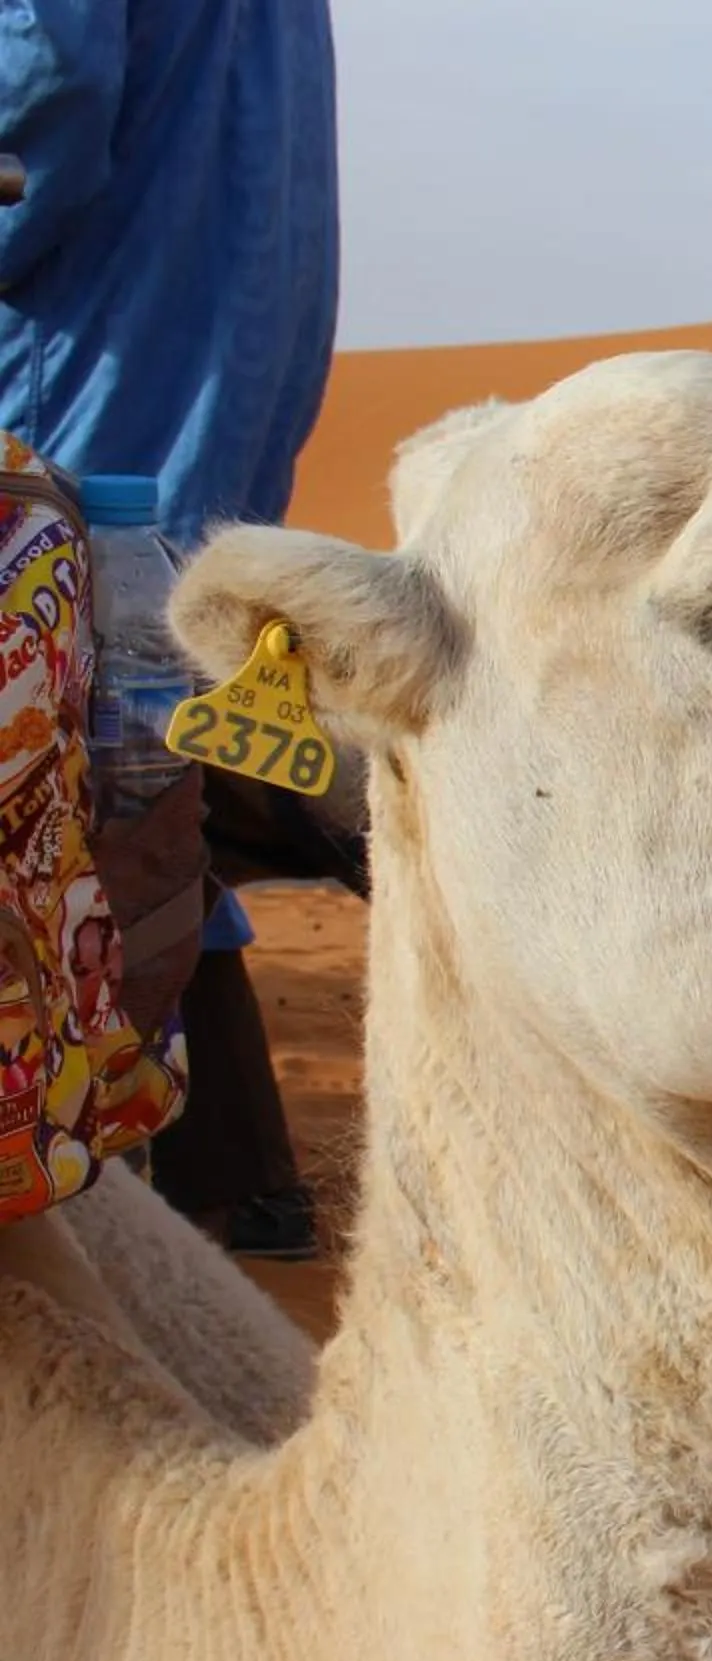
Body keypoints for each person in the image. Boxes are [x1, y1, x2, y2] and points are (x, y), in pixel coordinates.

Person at [0, 0, 343, 1259]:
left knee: (59, 769)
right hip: (215, 355)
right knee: (143, 757)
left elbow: (37, 99)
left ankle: (95, 1201)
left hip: (82, 366)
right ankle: (230, 1175)